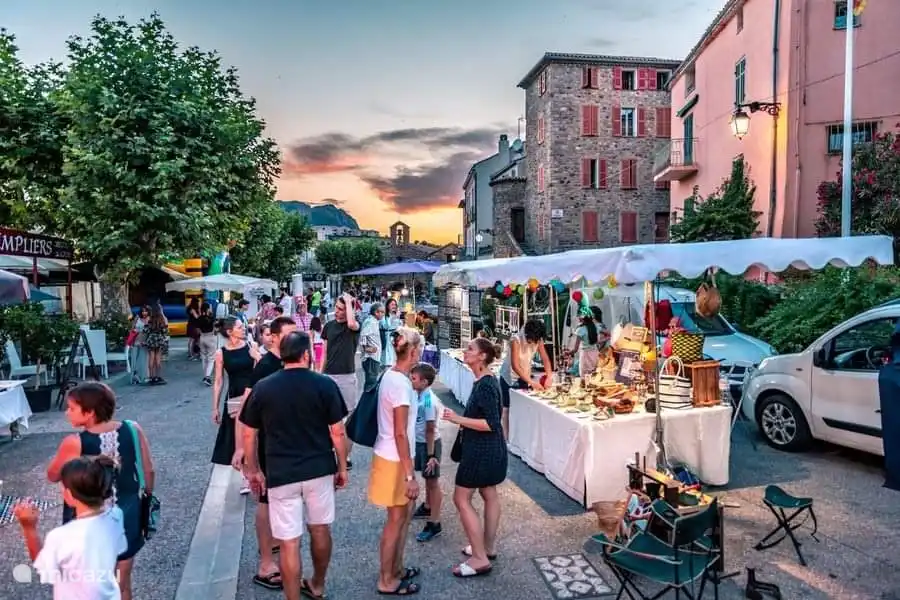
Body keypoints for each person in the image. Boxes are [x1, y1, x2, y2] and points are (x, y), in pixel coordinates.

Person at [240, 331, 349, 600]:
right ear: (306, 355)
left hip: (280, 472)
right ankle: (318, 584)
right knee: (320, 528)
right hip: (318, 469)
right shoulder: (324, 384)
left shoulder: (264, 387)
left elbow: (248, 433)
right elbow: (337, 431)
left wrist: (253, 470)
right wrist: (342, 466)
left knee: (289, 542)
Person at [46, 382, 155, 600]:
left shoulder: (74, 442)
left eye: (72, 408)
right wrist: (144, 500)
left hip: (87, 521)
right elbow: (149, 470)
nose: (67, 413)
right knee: (122, 583)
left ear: (89, 412)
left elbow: (53, 475)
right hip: (128, 511)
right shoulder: (132, 429)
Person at [238, 316, 296, 591]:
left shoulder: (283, 363)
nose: (293, 339)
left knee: (274, 500)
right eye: (287, 335)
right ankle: (264, 563)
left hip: (280, 443)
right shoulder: (265, 367)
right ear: (272, 337)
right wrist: (243, 452)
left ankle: (273, 551)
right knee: (265, 501)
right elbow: (243, 410)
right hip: (265, 444)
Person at [18, 455, 127, 600]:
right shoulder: (116, 515)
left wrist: (28, 528)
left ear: (69, 495)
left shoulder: (63, 536)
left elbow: (45, 567)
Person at [443, 337, 507, 578]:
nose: (465, 351)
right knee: (488, 493)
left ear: (482, 356)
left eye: (470, 349)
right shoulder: (484, 381)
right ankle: (486, 548)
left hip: (482, 451)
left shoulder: (487, 384)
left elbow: (492, 423)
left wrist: (457, 419)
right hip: (487, 449)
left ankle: (480, 557)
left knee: (461, 498)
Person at [369, 326, 423, 596]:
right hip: (395, 459)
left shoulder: (391, 376)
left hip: (391, 455)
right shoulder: (401, 384)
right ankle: (386, 578)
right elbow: (400, 432)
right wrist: (410, 475)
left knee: (400, 519)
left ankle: (396, 569)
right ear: (412, 352)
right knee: (395, 520)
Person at [211, 317, 260, 495]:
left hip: (253, 392)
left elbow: (260, 370)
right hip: (234, 395)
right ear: (230, 331)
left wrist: (258, 357)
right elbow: (218, 381)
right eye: (240, 327)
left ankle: (255, 471)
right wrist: (215, 406)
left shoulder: (251, 346)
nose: (244, 329)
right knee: (237, 437)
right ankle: (246, 476)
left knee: (254, 434)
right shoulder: (221, 352)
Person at [321, 293, 360, 467]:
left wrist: (350, 302)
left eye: (343, 309)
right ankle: (330, 451)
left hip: (347, 376)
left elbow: (351, 323)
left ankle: (346, 456)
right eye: (337, 308)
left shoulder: (353, 327)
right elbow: (325, 352)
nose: (338, 312)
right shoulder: (328, 326)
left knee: (348, 418)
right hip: (329, 375)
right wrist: (319, 373)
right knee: (326, 417)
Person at [498, 319, 553, 440]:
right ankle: (506, 438)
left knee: (521, 406)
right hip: (509, 376)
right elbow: (515, 366)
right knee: (507, 408)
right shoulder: (515, 340)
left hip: (525, 374)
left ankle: (519, 438)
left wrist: (549, 376)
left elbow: (545, 358)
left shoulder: (538, 339)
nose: (533, 343)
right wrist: (531, 382)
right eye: (531, 341)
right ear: (527, 335)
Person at [410, 362, 443, 542]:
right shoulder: (419, 394)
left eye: (413, 378)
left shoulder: (428, 400)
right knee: (427, 479)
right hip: (420, 442)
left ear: (424, 382)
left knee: (432, 483)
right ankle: (428, 506)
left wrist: (431, 455)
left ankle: (434, 523)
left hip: (429, 444)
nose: (411, 381)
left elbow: (430, 428)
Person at [570, 306, 608, 378]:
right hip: (595, 353)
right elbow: (609, 335)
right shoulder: (597, 326)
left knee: (584, 377)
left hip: (585, 355)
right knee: (594, 375)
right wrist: (598, 341)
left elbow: (575, 349)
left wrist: (569, 352)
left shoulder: (580, 329)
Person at [360, 303, 385, 391]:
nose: (383, 314)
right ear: (376, 312)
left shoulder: (373, 321)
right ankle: (367, 403)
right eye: (381, 312)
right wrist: (366, 348)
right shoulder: (371, 322)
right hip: (371, 358)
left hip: (373, 357)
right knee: (371, 385)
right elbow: (363, 335)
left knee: (371, 383)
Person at [144, 303, 169, 385]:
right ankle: (158, 376)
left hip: (151, 339)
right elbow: (165, 331)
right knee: (158, 359)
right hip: (159, 340)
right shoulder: (161, 319)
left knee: (151, 358)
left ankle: (151, 377)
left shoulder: (150, 319)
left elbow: (146, 330)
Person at [129, 306, 150, 385]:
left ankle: (144, 377)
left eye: (146, 311)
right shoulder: (137, 318)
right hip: (136, 341)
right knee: (135, 359)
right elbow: (132, 329)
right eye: (143, 311)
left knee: (144, 360)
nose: (144, 313)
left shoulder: (150, 319)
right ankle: (134, 377)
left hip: (145, 342)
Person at [197, 302, 217, 386]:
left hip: (202, 337)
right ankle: (207, 377)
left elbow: (198, 330)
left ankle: (205, 375)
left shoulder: (199, 318)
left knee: (204, 358)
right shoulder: (211, 317)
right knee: (211, 358)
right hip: (210, 337)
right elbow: (215, 328)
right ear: (208, 309)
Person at [380, 298, 401, 368]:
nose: (394, 306)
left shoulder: (396, 315)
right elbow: (386, 326)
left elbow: (399, 325)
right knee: (387, 359)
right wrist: (395, 317)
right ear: (388, 306)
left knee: (394, 357)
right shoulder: (384, 316)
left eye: (395, 304)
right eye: (392, 304)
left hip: (395, 337)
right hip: (387, 337)